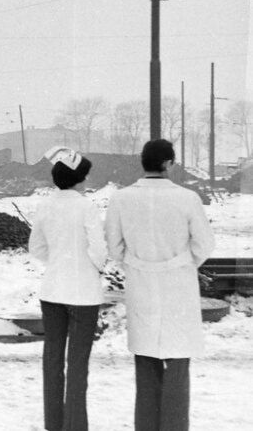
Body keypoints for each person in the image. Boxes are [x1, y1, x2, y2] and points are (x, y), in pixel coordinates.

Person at [106, 139, 215, 431]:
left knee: (146, 363)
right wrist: (183, 262)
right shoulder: (187, 198)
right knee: (178, 364)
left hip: (141, 285)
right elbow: (204, 244)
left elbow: (114, 248)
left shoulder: (120, 198)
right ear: (168, 163)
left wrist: (136, 262)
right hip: (178, 285)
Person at [29, 146, 105, 431]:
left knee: (52, 359)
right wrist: (93, 267)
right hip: (84, 293)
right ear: (78, 179)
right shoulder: (87, 206)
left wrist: (58, 262)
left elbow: (35, 247)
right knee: (77, 363)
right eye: (84, 176)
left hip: (51, 291)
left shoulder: (45, 205)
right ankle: (75, 426)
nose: (86, 181)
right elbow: (98, 248)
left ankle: (54, 424)